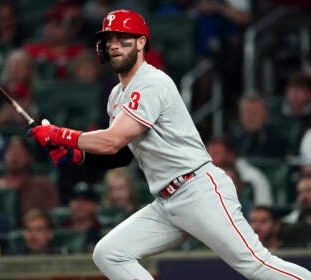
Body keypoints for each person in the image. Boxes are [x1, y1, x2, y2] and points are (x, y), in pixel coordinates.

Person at [28, 9, 311, 279]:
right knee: (110, 253)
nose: (114, 45)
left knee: (256, 265)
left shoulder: (150, 82)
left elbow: (113, 140)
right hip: (167, 202)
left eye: (122, 39)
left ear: (141, 43)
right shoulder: (117, 94)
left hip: (198, 190)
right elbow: (123, 154)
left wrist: (58, 134)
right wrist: (78, 157)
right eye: (108, 40)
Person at [0, 136, 59, 216]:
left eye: (19, 153)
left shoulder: (44, 186)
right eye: (11, 152)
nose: (14, 157)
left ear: (30, 157)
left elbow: (52, 214)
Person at [206, 137, 273, 206]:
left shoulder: (254, 178)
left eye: (216, 154)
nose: (211, 159)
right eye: (209, 154)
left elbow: (264, 209)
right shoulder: (203, 176)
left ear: (231, 155)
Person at [230, 93, 288, 158]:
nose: (250, 117)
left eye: (255, 112)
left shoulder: (277, 141)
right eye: (246, 112)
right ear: (240, 115)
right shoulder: (234, 139)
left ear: (265, 115)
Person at [62, 181, 101, 253]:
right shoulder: (61, 228)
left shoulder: (102, 231)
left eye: (86, 199)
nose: (80, 203)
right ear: (70, 203)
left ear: (95, 205)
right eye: (76, 199)